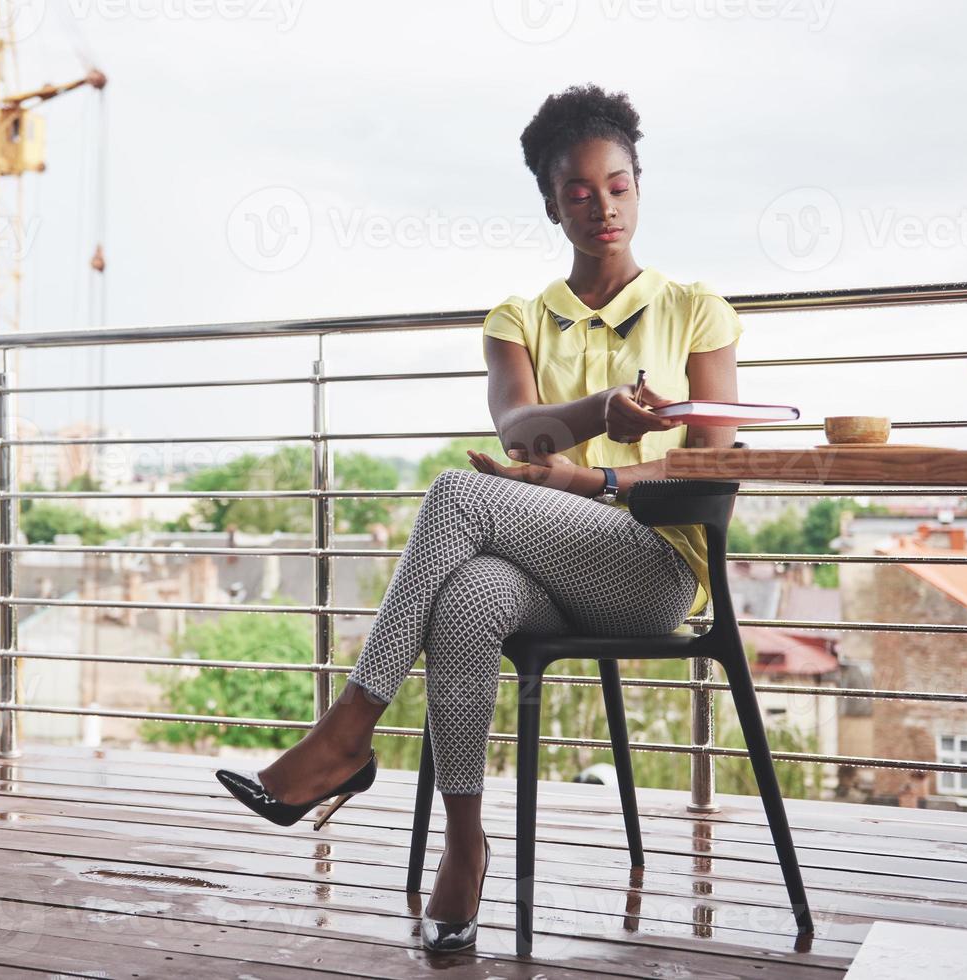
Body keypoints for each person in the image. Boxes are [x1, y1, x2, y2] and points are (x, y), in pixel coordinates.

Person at [215, 83, 743, 953]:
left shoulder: (694, 308)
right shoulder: (518, 319)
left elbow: (717, 466)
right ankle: (465, 849)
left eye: (617, 185)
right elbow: (519, 431)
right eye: (577, 191)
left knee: (455, 493)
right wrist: (598, 411)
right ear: (549, 203)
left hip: (653, 572)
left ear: (639, 187)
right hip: (546, 570)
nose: (601, 206)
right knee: (465, 601)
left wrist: (597, 485)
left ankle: (346, 733)